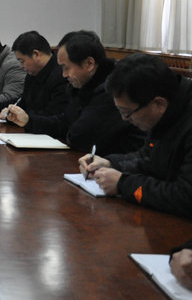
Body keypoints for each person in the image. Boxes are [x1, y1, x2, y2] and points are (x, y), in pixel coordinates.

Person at [79, 53, 192, 218]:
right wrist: (111, 163)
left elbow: (186, 197)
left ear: (159, 103)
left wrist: (123, 184)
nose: (124, 119)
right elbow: (147, 158)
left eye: (127, 113)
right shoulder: (167, 110)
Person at [8, 30, 144, 155]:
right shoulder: (79, 85)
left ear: (89, 64)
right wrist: (28, 121)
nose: (63, 75)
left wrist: (67, 128)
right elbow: (64, 123)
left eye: (66, 67)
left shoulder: (112, 90)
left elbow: (78, 137)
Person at [0, 30, 69, 119]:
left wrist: (17, 117)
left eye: (22, 61)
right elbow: (22, 102)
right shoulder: (32, 73)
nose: (21, 66)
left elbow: (53, 115)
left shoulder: (62, 76)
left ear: (36, 54)